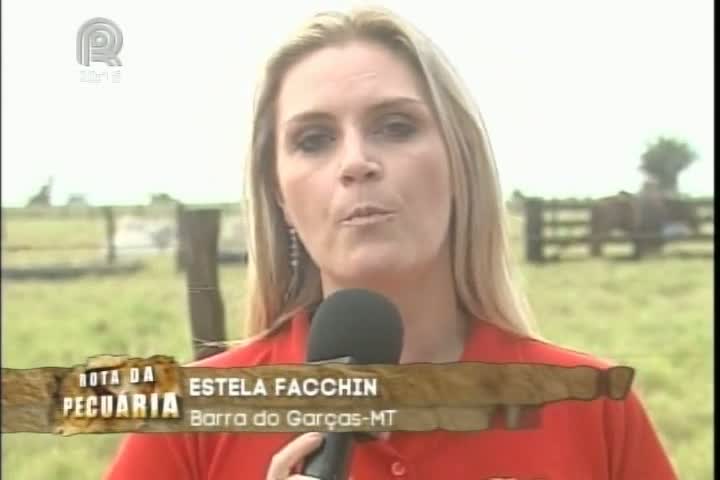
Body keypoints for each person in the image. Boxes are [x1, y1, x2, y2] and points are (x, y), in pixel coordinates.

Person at [105, 6, 678, 479]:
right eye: (313, 139)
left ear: (461, 163)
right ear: (279, 195)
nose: (356, 162)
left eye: (395, 126)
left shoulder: (596, 410)